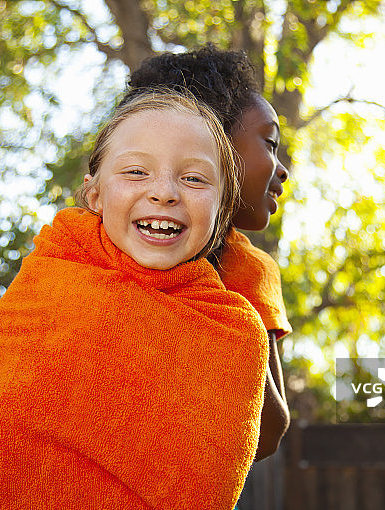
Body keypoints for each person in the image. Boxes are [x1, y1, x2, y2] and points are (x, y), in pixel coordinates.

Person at [0, 90, 270, 510]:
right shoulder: (52, 275)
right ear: (94, 194)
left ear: (222, 206)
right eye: (136, 171)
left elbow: (201, 503)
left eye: (194, 179)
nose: (165, 193)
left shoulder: (233, 332)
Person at [125, 45, 293, 463]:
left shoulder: (248, 270)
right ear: (212, 139)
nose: (283, 168)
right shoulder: (90, 246)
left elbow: (268, 432)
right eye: (270, 143)